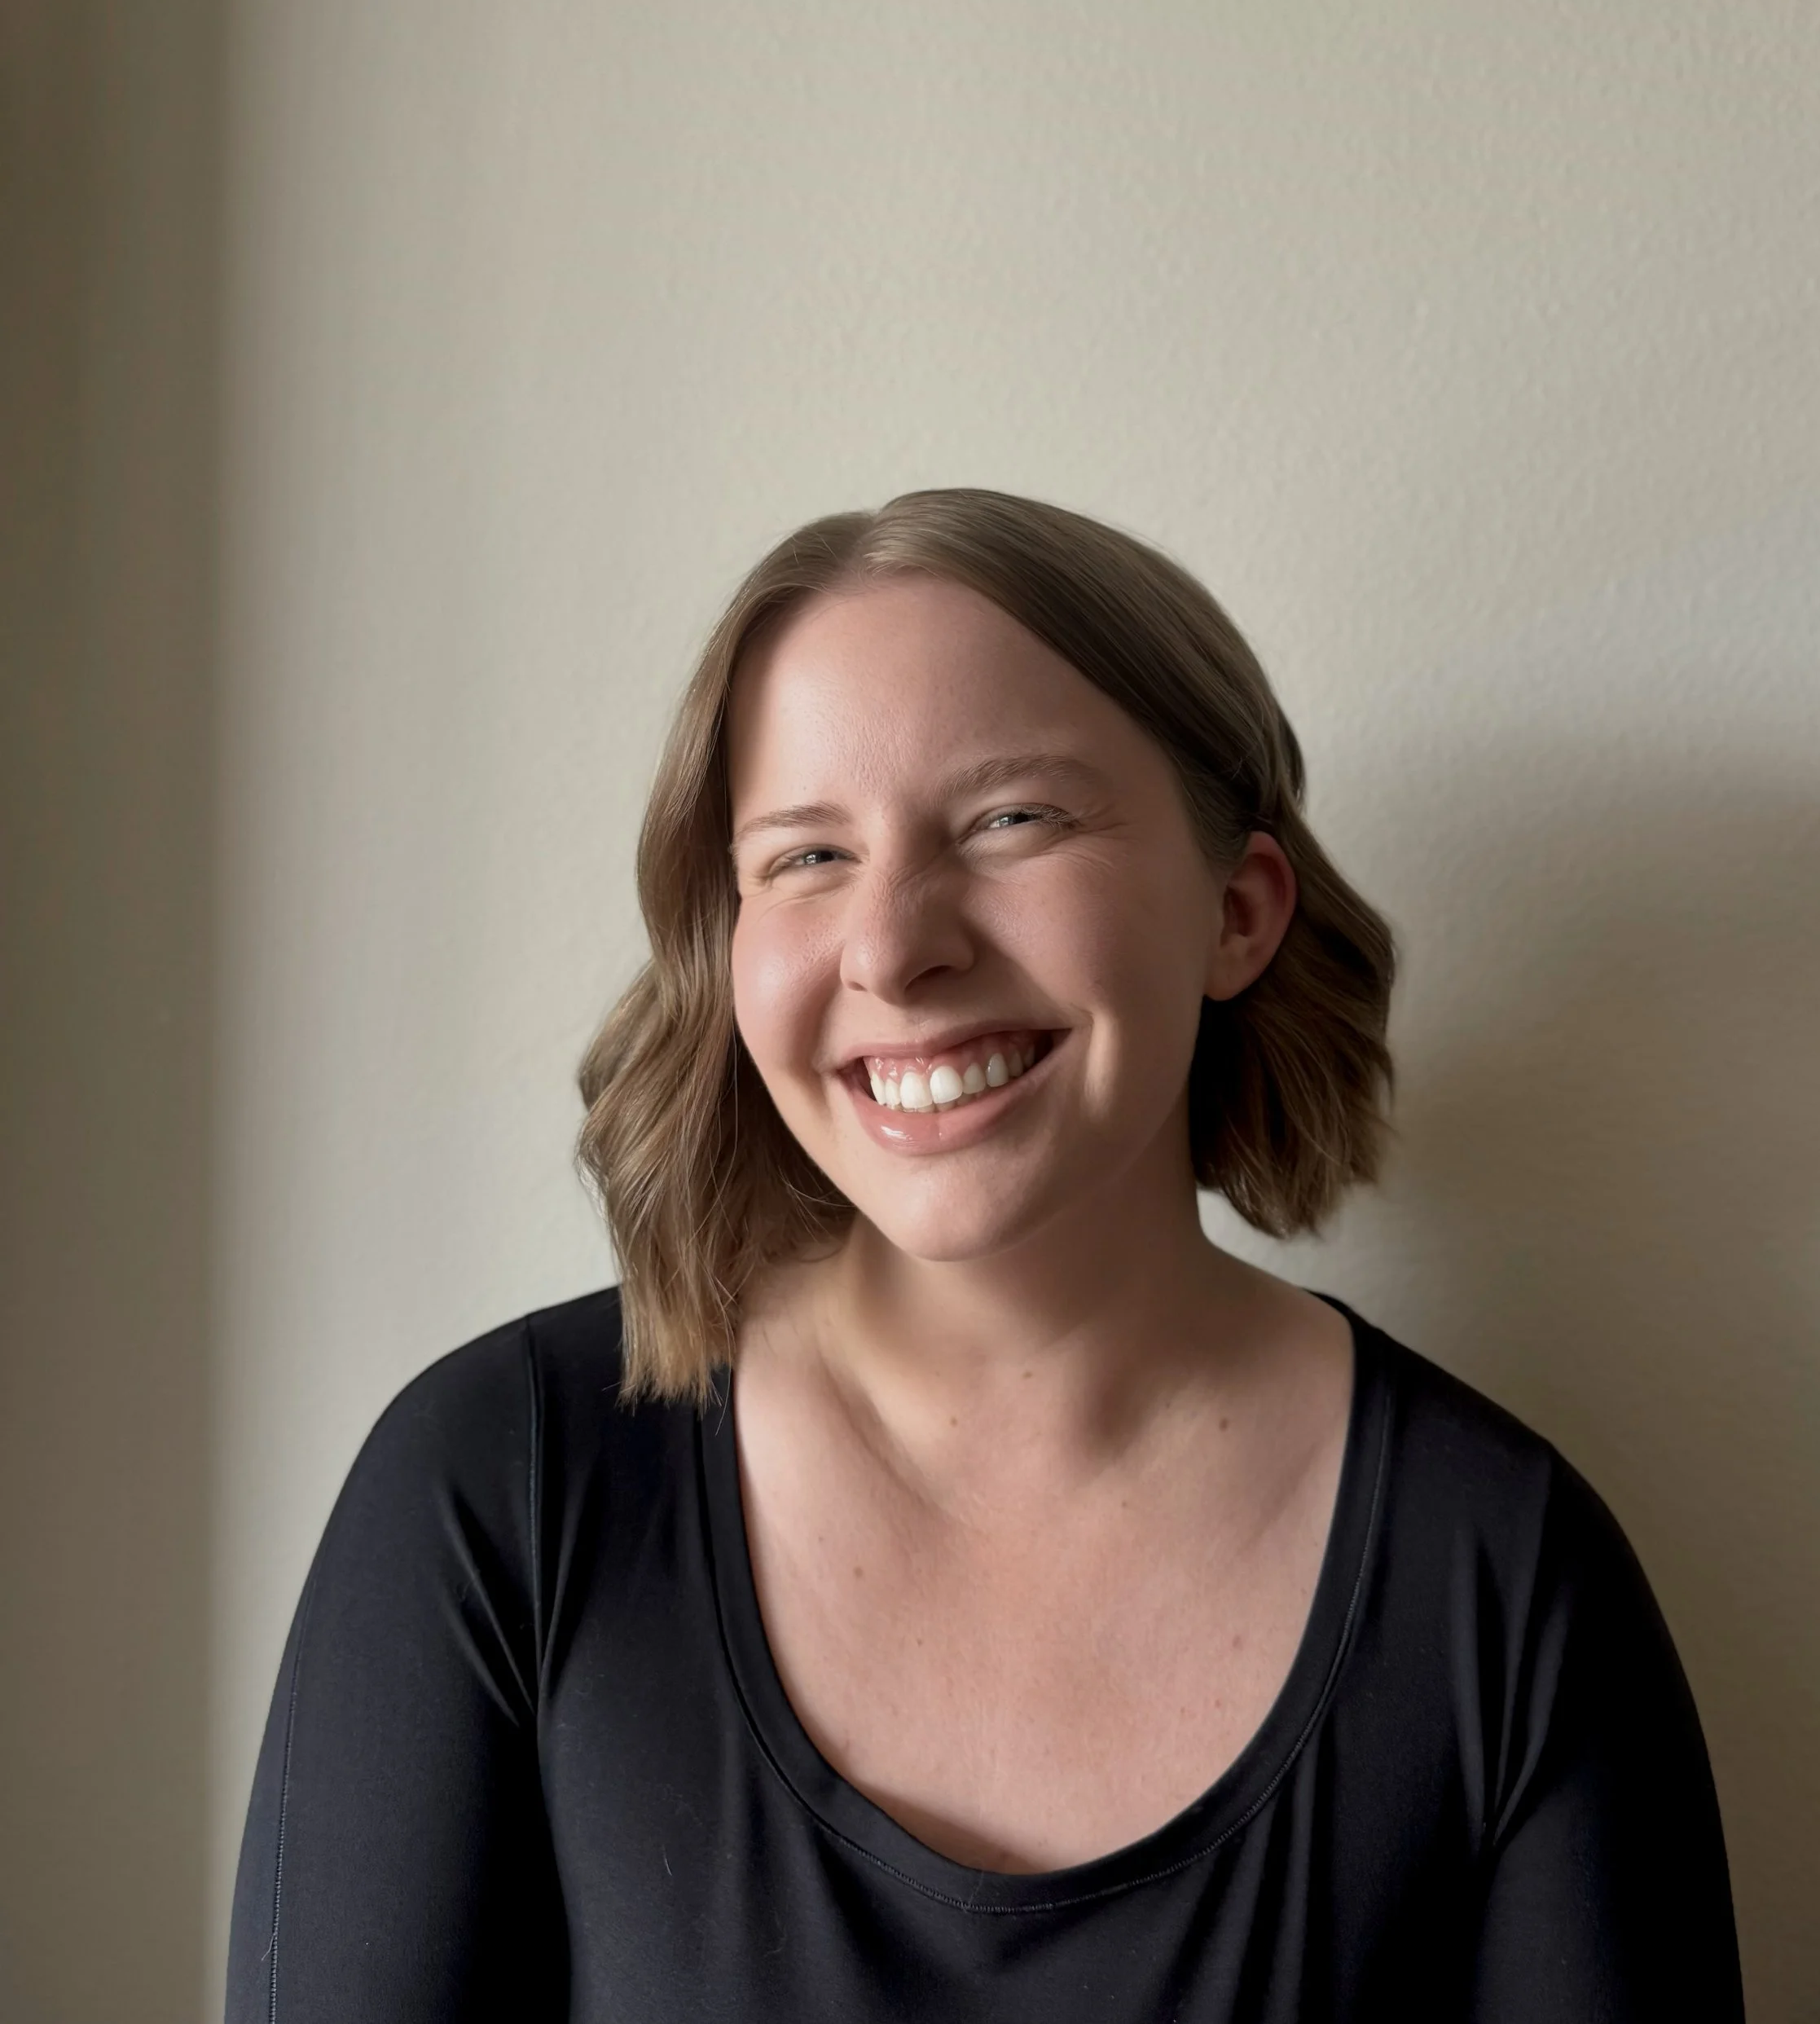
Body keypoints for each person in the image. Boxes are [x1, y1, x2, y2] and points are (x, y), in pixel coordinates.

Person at [226, 488, 1743, 2020]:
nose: (894, 947)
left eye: (1011, 820)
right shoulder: (499, 1491)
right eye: (807, 857)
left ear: (1239, 911)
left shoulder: (1508, 1573)